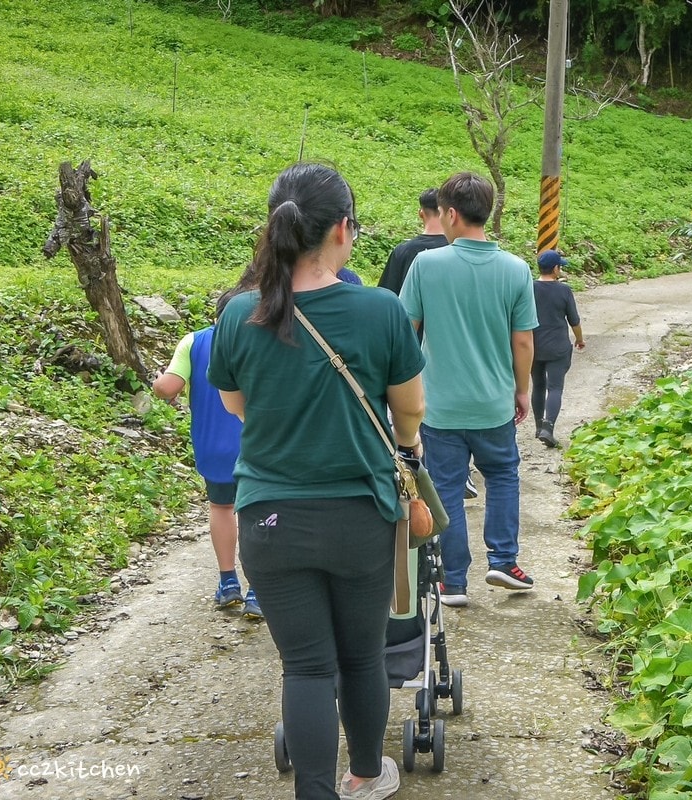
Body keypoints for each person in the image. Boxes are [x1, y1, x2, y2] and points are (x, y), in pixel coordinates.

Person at [208, 162, 425, 800]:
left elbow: (235, 404)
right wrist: (405, 447)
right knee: (362, 657)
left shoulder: (240, 313)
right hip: (359, 516)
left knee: (304, 666)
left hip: (268, 519)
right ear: (341, 231)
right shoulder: (379, 310)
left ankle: (314, 793)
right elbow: (409, 407)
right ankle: (363, 775)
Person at [399, 171, 538, 608]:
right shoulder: (516, 270)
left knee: (447, 486)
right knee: (502, 475)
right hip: (494, 403)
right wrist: (521, 389)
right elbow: (522, 340)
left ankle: (452, 581)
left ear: (451, 215)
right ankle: (503, 559)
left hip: (439, 406)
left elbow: (407, 333)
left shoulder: (426, 265)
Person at [152, 289, 262, 620]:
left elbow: (168, 388)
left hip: (212, 445)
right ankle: (258, 589)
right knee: (256, 512)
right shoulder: (262, 340)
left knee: (222, 507)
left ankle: (228, 582)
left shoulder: (194, 341)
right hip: (258, 444)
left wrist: (158, 381)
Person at [380, 188, 479, 500]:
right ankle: (460, 472)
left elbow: (388, 303)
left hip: (411, 352)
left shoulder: (405, 253)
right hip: (458, 352)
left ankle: (415, 477)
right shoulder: (465, 254)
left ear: (422, 213)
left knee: (413, 415)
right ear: (448, 211)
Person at [531, 249, 585, 448]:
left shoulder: (528, 288)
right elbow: (574, 321)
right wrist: (579, 339)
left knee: (537, 385)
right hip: (557, 348)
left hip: (534, 346)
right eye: (560, 266)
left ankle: (538, 427)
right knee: (555, 387)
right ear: (555, 268)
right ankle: (549, 427)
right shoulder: (564, 290)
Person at [377, 188, 448, 296]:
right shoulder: (454, 249)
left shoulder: (403, 251)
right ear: (448, 214)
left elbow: (385, 296)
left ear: (421, 213)